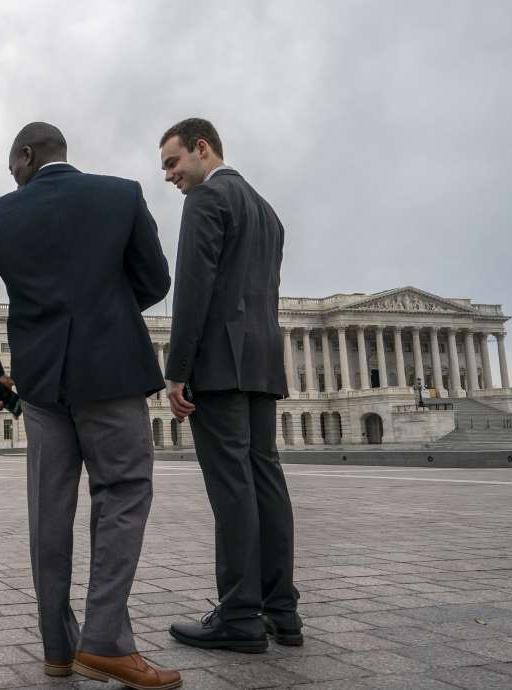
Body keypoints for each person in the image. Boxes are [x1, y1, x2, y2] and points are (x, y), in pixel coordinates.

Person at [0, 122, 180, 689]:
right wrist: (106, 307)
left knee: (48, 512)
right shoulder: (121, 194)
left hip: (40, 382)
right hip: (111, 372)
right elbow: (155, 280)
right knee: (122, 492)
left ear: (27, 156)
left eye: (15, 168)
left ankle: (59, 647)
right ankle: (103, 640)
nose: (15, 178)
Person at [159, 118, 301, 652]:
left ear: (202, 148)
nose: (170, 176)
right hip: (264, 360)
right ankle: (282, 610)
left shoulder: (205, 200)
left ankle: (240, 613)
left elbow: (193, 291)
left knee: (231, 488)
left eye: (173, 162)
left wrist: (177, 371)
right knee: (266, 481)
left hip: (219, 365)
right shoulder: (267, 211)